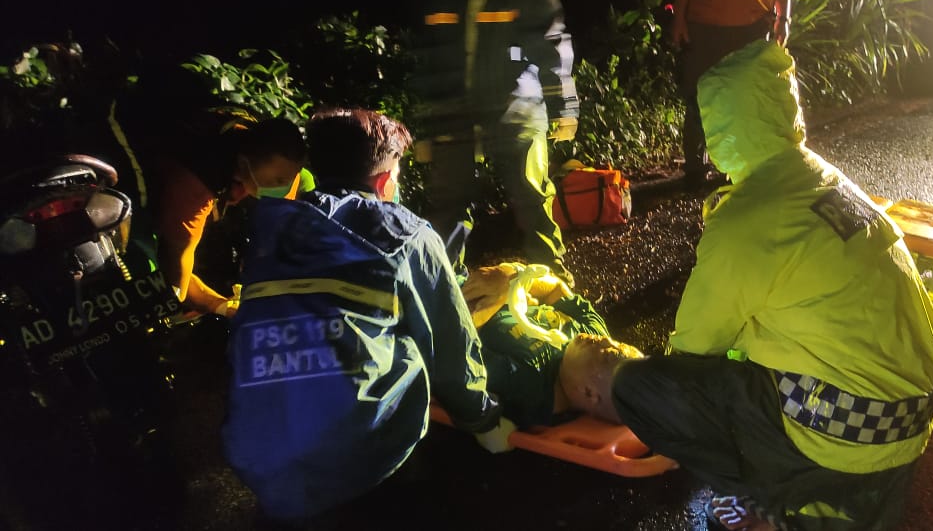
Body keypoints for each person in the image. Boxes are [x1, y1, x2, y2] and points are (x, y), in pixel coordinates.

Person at [611, 41, 933, 531]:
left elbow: (693, 349)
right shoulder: (826, 178)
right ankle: (833, 500)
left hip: (847, 439)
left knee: (643, 388)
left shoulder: (746, 220)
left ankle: (773, 501)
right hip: (910, 422)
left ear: (721, 127)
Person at [220, 106, 514, 522]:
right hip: (358, 459)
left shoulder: (274, 229)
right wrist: (483, 420)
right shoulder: (406, 233)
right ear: (383, 179)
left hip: (257, 454)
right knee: (414, 343)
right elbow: (452, 344)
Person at [409, 0, 579, 286]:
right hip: (451, 111)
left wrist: (563, 104)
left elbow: (549, 37)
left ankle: (552, 280)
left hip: (516, 103)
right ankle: (442, 289)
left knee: (531, 195)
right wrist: (424, 125)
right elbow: (426, 55)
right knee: (447, 206)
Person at [108, 73, 307, 317]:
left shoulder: (277, 163)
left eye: (290, 179)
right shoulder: (197, 181)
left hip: (203, 135)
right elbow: (179, 258)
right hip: (131, 133)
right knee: (141, 240)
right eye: (278, 181)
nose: (285, 186)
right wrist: (176, 307)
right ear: (244, 167)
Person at [670, 0, 796, 188]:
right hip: (706, 21)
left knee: (745, 98)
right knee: (700, 95)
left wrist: (784, 17)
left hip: (755, 24)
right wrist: (680, 18)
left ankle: (736, 170)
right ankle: (695, 169)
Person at [460, 262, 643, 427]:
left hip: (452, 297)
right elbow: (555, 288)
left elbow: (453, 348)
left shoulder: (528, 384)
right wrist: (511, 276)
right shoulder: (592, 336)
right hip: (475, 285)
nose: (605, 339)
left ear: (589, 393)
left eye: (607, 354)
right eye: (617, 343)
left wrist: (498, 297)